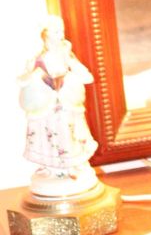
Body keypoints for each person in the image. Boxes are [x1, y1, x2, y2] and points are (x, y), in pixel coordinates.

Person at [19, 17, 98, 192]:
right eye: (56, 31)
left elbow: (83, 74)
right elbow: (23, 80)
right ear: (45, 36)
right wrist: (35, 76)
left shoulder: (66, 55)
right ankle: (53, 168)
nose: (60, 35)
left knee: (69, 132)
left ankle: (72, 166)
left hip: (66, 103)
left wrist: (75, 69)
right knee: (48, 136)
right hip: (46, 106)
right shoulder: (37, 59)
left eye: (61, 31)